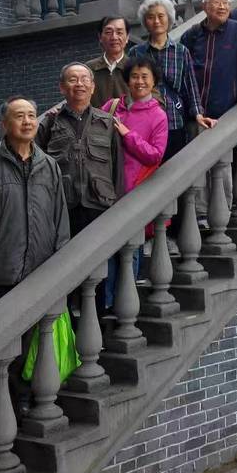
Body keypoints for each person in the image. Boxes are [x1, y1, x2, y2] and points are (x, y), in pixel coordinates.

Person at [0, 96, 70, 414]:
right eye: (19, 116)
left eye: (32, 115)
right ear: (4, 124)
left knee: (33, 341)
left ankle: (23, 399)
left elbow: (60, 218)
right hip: (0, 270)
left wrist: (61, 264)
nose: (27, 121)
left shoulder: (48, 165)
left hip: (39, 270)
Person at [101, 56, 168, 300]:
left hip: (135, 189)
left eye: (145, 77)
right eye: (134, 76)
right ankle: (107, 304)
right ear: (127, 80)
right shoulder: (112, 106)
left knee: (130, 249)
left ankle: (126, 303)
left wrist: (128, 135)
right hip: (106, 188)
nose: (139, 81)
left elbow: (155, 155)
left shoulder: (158, 115)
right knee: (106, 250)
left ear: (153, 82)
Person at [36, 63, 123, 238]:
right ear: (62, 87)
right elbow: (38, 167)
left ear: (93, 87)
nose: (79, 84)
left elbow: (118, 167)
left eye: (84, 79)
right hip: (62, 207)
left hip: (101, 206)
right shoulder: (50, 123)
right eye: (73, 79)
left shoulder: (107, 122)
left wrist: (118, 205)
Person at [130, 0, 216, 161]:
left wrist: (198, 114)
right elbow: (129, 87)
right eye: (151, 17)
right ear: (145, 22)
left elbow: (191, 86)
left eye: (161, 16)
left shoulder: (181, 51)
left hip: (174, 120)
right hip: (145, 120)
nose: (156, 21)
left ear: (169, 19)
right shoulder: (136, 52)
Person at [85, 16, 131, 107]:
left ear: (127, 37)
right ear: (100, 37)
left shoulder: (136, 67)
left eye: (119, 32)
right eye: (108, 32)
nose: (114, 37)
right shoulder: (89, 69)